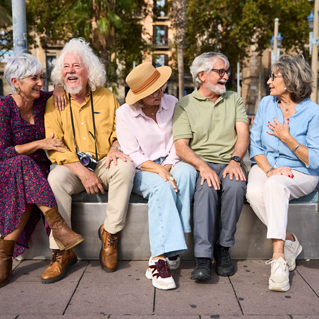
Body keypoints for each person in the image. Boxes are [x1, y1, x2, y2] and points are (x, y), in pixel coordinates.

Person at [43, 38, 135, 283]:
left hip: (104, 162)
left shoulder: (106, 97)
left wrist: (116, 147)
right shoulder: (54, 102)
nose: (70, 71)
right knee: (55, 178)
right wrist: (83, 173)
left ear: (89, 71)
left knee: (125, 167)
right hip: (72, 167)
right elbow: (55, 148)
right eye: (66, 67)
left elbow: (121, 133)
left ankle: (110, 234)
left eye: (76, 66)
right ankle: (62, 251)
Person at [0, 53, 84, 288]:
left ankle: (3, 256)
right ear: (15, 82)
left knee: (28, 177)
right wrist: (39, 144)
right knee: (23, 164)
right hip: (7, 170)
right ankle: (59, 227)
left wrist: (58, 86)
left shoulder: (42, 101)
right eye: (32, 78)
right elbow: (2, 152)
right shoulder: (3, 107)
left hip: (36, 176)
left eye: (41, 77)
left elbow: (68, 89)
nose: (40, 83)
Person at [116, 63, 197, 290]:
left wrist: (169, 164)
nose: (161, 94)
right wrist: (159, 169)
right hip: (142, 169)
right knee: (162, 186)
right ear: (139, 96)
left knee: (189, 173)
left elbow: (178, 139)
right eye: (154, 92)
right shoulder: (124, 114)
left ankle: (173, 247)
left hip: (173, 160)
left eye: (162, 88)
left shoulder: (172, 103)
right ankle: (158, 258)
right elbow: (132, 153)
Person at [173, 52, 249, 281]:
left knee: (235, 186)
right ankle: (203, 257)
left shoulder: (234, 98)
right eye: (220, 71)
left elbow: (243, 134)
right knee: (205, 190)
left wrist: (236, 160)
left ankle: (223, 249)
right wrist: (202, 167)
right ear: (202, 75)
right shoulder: (184, 104)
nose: (226, 76)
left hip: (230, 162)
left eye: (227, 71)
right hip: (201, 163)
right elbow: (181, 146)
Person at [246, 54, 319, 292]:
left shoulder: (313, 112)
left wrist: (287, 139)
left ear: (289, 80)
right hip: (267, 165)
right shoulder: (267, 104)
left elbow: (316, 160)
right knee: (255, 191)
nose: (269, 82)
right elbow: (255, 145)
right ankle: (289, 240)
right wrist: (270, 169)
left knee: (275, 185)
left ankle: (278, 259)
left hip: (302, 172)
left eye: (273, 77)